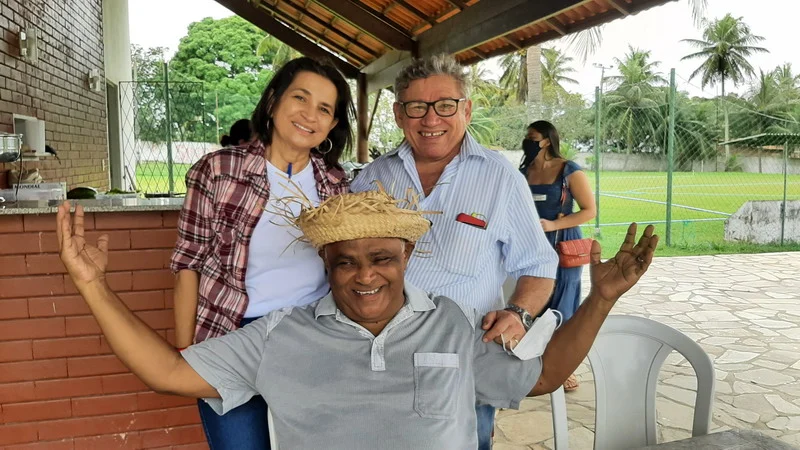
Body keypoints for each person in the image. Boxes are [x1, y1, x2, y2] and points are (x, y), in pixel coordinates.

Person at [55, 190, 657, 450]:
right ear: (326, 264)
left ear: (407, 257)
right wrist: (92, 286)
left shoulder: (449, 322)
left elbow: (542, 376)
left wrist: (601, 298)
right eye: (346, 262)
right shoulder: (281, 335)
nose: (365, 276)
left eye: (381, 259)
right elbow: (165, 372)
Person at [351, 54, 558, 447]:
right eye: (417, 107)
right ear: (398, 114)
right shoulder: (372, 178)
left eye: (445, 105)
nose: (431, 119)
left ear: (466, 110)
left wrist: (517, 312)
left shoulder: (501, 178)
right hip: (383, 359)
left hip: (465, 364)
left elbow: (537, 264)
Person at [169, 57, 355, 450]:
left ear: (332, 124)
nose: (310, 114)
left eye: (324, 108)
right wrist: (186, 353)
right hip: (231, 335)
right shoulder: (218, 171)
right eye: (300, 98)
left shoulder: (336, 185)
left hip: (313, 338)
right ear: (273, 101)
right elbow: (188, 263)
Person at [520, 120, 597, 392]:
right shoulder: (524, 172)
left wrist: (554, 224)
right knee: (532, 301)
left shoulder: (568, 171)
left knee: (562, 305)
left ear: (547, 141)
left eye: (533, 138)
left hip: (562, 245)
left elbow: (589, 210)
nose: (527, 142)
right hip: (531, 247)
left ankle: (563, 369)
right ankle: (531, 365)